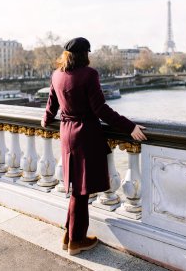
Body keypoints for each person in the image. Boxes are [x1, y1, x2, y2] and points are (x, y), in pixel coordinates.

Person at [41, 37, 147, 256]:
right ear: (85, 54)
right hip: (85, 136)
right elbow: (101, 110)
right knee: (81, 191)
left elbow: (51, 104)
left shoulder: (57, 74)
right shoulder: (89, 75)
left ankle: (69, 236)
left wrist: (45, 119)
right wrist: (129, 127)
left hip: (66, 134)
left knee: (75, 189)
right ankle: (76, 241)